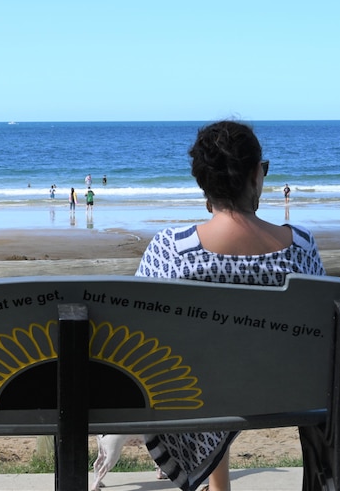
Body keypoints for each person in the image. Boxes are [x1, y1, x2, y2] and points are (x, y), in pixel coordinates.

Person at [135, 120, 325, 491]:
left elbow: (141, 336)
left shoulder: (170, 250)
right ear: (256, 174)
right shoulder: (301, 248)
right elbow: (319, 334)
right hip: (284, 392)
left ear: (202, 181)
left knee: (203, 373)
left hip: (193, 392)